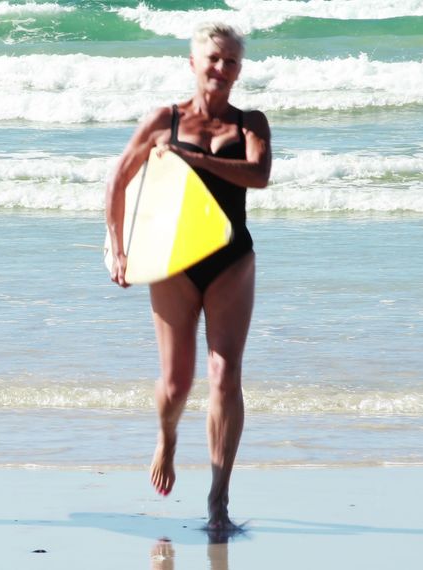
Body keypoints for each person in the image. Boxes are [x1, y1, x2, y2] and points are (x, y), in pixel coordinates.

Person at [105, 22, 271, 531]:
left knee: (226, 374)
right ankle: (167, 436)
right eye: (214, 59)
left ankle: (219, 499)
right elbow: (119, 178)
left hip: (231, 259)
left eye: (232, 62)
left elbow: (259, 176)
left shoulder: (250, 124)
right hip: (173, 261)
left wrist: (193, 158)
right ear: (194, 62)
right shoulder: (163, 119)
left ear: (239, 70)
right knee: (177, 385)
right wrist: (117, 248)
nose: (222, 69)